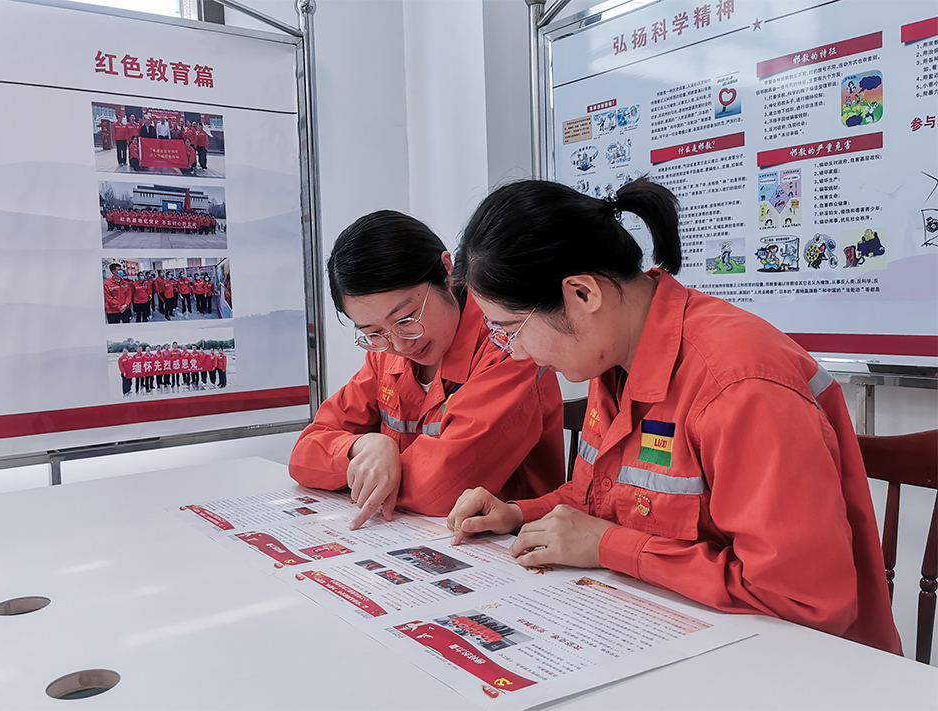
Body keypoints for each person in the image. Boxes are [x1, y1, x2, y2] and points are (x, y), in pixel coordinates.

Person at [445, 178, 902, 655]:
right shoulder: (613, 357)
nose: (515, 353)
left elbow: (802, 599)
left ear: (581, 294)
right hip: (677, 633)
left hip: (803, 661)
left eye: (511, 330)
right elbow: (603, 497)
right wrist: (519, 514)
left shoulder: (739, 387)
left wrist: (610, 546)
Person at [289, 210, 565, 530]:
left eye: (406, 319)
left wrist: (361, 471)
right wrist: (362, 447)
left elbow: (438, 489)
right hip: (409, 532)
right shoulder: (385, 356)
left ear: (446, 269)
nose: (400, 344)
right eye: (374, 332)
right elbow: (304, 455)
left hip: (508, 541)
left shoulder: (510, 346)